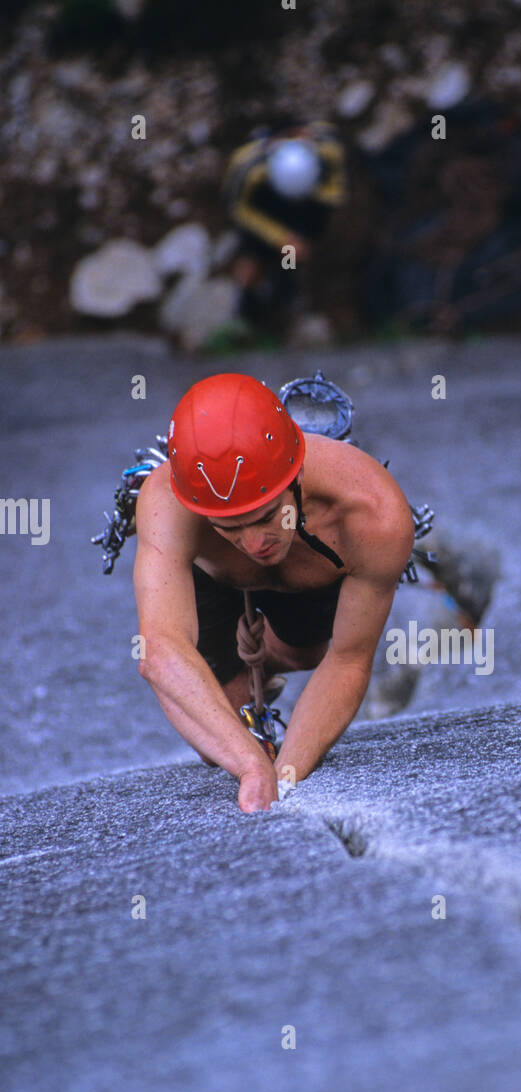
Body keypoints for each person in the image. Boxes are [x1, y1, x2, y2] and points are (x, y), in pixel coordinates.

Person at [134, 372, 414, 813]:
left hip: (315, 560)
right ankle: (249, 674)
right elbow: (160, 650)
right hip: (216, 577)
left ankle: (273, 656)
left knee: (310, 655)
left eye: (266, 517)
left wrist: (285, 775)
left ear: (296, 474)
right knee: (216, 741)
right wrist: (250, 766)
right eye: (229, 528)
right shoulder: (166, 502)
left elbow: (348, 660)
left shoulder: (373, 515)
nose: (253, 543)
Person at [223, 122, 347, 330]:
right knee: (256, 257)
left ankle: (291, 288)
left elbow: (335, 192)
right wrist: (280, 237)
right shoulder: (248, 168)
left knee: (295, 251)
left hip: (308, 200)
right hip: (261, 204)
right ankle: (244, 313)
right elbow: (237, 209)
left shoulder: (328, 152)